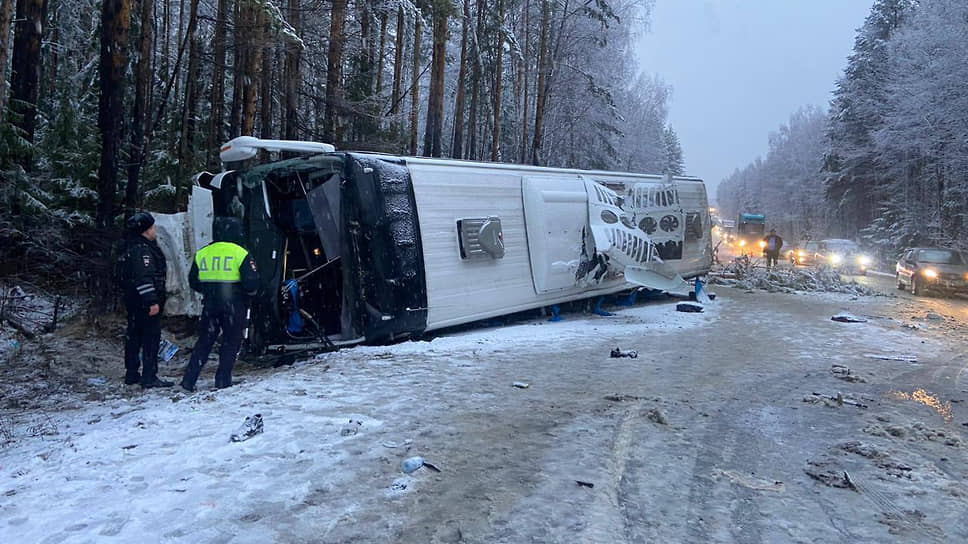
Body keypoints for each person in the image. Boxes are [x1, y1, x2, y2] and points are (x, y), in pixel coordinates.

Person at [180, 217, 260, 392]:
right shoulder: (241, 253)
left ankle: (189, 380)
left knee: (204, 342)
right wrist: (244, 294)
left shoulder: (203, 253)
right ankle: (223, 379)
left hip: (210, 304)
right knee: (231, 341)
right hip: (234, 305)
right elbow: (252, 283)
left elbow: (193, 280)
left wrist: (209, 291)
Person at [119, 212, 173, 388]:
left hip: (132, 301)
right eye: (152, 227)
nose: (154, 230)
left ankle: (132, 374)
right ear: (146, 230)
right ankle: (149, 376)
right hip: (144, 302)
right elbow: (143, 277)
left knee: (133, 337)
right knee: (150, 339)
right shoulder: (143, 251)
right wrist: (151, 301)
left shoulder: (127, 247)